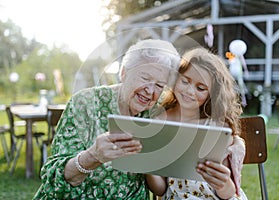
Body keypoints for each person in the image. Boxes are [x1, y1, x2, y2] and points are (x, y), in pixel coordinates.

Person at [33, 39, 181, 199]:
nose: (150, 90)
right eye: (145, 78)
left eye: (160, 85)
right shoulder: (85, 103)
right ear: (124, 73)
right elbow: (53, 178)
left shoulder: (159, 111)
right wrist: (92, 156)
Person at [146, 47, 247, 199]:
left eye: (200, 88)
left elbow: (228, 194)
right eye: (185, 81)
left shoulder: (217, 127)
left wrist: (223, 182)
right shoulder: (161, 121)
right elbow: (160, 190)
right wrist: (148, 166)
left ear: (212, 94)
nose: (189, 91)